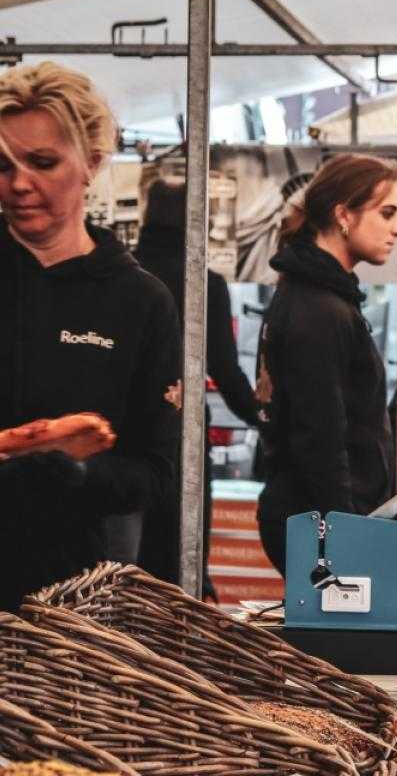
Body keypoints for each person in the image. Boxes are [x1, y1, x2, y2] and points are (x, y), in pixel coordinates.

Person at [0, 62, 180, 611]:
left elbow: (155, 473)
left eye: (43, 162)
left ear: (92, 164)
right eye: (3, 165)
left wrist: (74, 469)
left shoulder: (139, 301)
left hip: (74, 608)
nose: (19, 183)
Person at [254, 153, 397, 574]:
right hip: (320, 528)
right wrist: (346, 537)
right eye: (386, 212)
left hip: (321, 520)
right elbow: (319, 438)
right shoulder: (318, 309)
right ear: (343, 215)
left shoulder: (319, 298)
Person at [133, 177, 260, 594]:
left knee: (123, 567)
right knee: (178, 566)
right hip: (181, 439)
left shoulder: (121, 273)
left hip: (120, 439)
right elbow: (225, 371)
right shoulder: (205, 283)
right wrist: (264, 418)